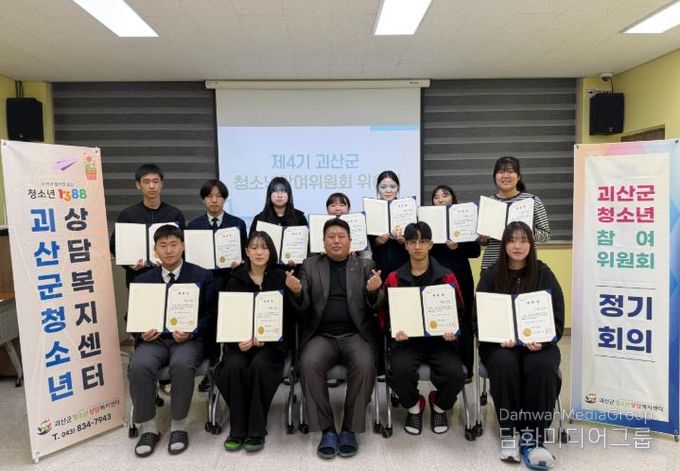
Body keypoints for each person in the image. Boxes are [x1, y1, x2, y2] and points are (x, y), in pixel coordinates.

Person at [285, 218, 383, 459]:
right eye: (331, 237)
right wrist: (297, 292)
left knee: (364, 364)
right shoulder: (310, 265)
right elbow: (303, 306)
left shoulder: (365, 265)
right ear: (323, 241)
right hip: (321, 335)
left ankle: (349, 429)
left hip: (355, 334)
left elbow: (376, 305)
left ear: (350, 241)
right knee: (308, 364)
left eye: (341, 236)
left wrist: (373, 292)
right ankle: (327, 429)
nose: (336, 241)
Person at [474, 221, 564, 468]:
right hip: (499, 345)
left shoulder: (544, 273)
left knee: (542, 366)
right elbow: (479, 316)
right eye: (512, 240)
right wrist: (497, 338)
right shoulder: (491, 275)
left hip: (538, 344)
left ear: (531, 244)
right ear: (504, 244)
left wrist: (543, 339)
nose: (517, 246)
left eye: (523, 240)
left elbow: (557, 315)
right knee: (504, 363)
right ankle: (510, 432)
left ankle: (534, 438)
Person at [127, 225, 216, 458]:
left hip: (188, 340)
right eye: (163, 245)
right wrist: (140, 333)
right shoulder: (143, 280)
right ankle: (149, 428)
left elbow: (211, 314)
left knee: (182, 365)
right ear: (155, 250)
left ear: (183, 246)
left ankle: (178, 426)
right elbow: (131, 316)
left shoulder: (202, 276)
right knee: (139, 365)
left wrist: (192, 332)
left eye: (174, 244)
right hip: (154, 340)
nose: (169, 250)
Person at [384, 222, 466, 435]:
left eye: (423, 241)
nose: (418, 247)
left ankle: (439, 405)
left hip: (440, 341)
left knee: (456, 374)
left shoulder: (447, 276)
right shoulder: (394, 278)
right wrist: (394, 330)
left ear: (431, 244)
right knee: (397, 372)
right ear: (406, 245)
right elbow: (385, 314)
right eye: (412, 242)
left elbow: (459, 311)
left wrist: (452, 329)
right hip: (407, 341)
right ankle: (414, 405)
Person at [213, 231, 290, 453]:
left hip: (271, 345)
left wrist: (265, 339)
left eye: (264, 247)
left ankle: (256, 430)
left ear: (271, 252)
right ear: (246, 252)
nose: (259, 252)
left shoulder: (280, 277)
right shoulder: (234, 279)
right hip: (239, 343)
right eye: (254, 248)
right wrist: (237, 341)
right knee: (233, 366)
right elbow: (227, 317)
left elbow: (288, 317)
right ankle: (237, 429)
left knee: (260, 365)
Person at [187, 179, 247, 392]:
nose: (214, 200)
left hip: (231, 282)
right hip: (204, 285)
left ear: (224, 199)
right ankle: (211, 371)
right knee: (209, 329)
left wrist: (240, 262)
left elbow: (246, 253)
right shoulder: (193, 226)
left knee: (231, 326)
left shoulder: (237, 224)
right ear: (203, 200)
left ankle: (230, 368)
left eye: (219, 196)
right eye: (210, 196)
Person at [429, 184, 481, 380]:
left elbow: (475, 252)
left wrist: (458, 246)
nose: (441, 199)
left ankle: (466, 367)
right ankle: (442, 365)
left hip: (461, 275)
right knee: (439, 319)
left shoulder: (464, 219)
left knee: (464, 321)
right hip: (435, 277)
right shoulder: (428, 221)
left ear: (453, 198)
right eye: (436, 197)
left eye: (445, 195)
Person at [110, 163, 186, 287]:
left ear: (162, 184)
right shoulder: (127, 215)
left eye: (155, 181)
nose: (151, 186)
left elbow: (184, 244)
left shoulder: (174, 214)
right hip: (138, 277)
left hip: (171, 278)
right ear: (138, 185)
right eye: (146, 182)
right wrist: (128, 264)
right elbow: (115, 245)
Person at [480, 156, 550, 270]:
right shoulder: (488, 203)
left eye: (510, 171)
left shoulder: (532, 200)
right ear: (495, 177)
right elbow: (483, 242)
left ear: (518, 177)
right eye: (501, 172)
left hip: (524, 265)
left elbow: (545, 235)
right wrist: (483, 238)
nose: (505, 176)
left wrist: (523, 234)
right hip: (492, 265)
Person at [368, 171, 408, 282]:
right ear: (378, 189)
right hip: (379, 263)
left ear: (398, 188)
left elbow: (415, 239)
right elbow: (366, 241)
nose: (388, 190)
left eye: (392, 187)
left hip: (403, 262)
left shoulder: (407, 209)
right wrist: (377, 242)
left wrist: (404, 241)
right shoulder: (371, 210)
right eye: (383, 187)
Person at [326, 192, 371, 260]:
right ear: (327, 209)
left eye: (342, 205)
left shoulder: (358, 225)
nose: (337, 208)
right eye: (333, 205)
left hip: (353, 263)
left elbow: (366, 255)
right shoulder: (318, 226)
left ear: (348, 209)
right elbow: (311, 255)